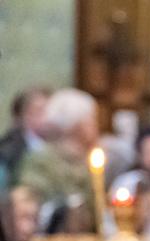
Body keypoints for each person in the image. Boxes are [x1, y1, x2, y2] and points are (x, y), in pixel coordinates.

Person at [17, 89, 100, 233]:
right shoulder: (40, 160)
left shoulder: (90, 160)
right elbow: (34, 202)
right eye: (91, 119)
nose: (96, 125)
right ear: (76, 125)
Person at [0, 87, 50, 188]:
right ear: (22, 116)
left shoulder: (58, 144)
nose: (48, 116)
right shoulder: (7, 150)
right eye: (40, 110)